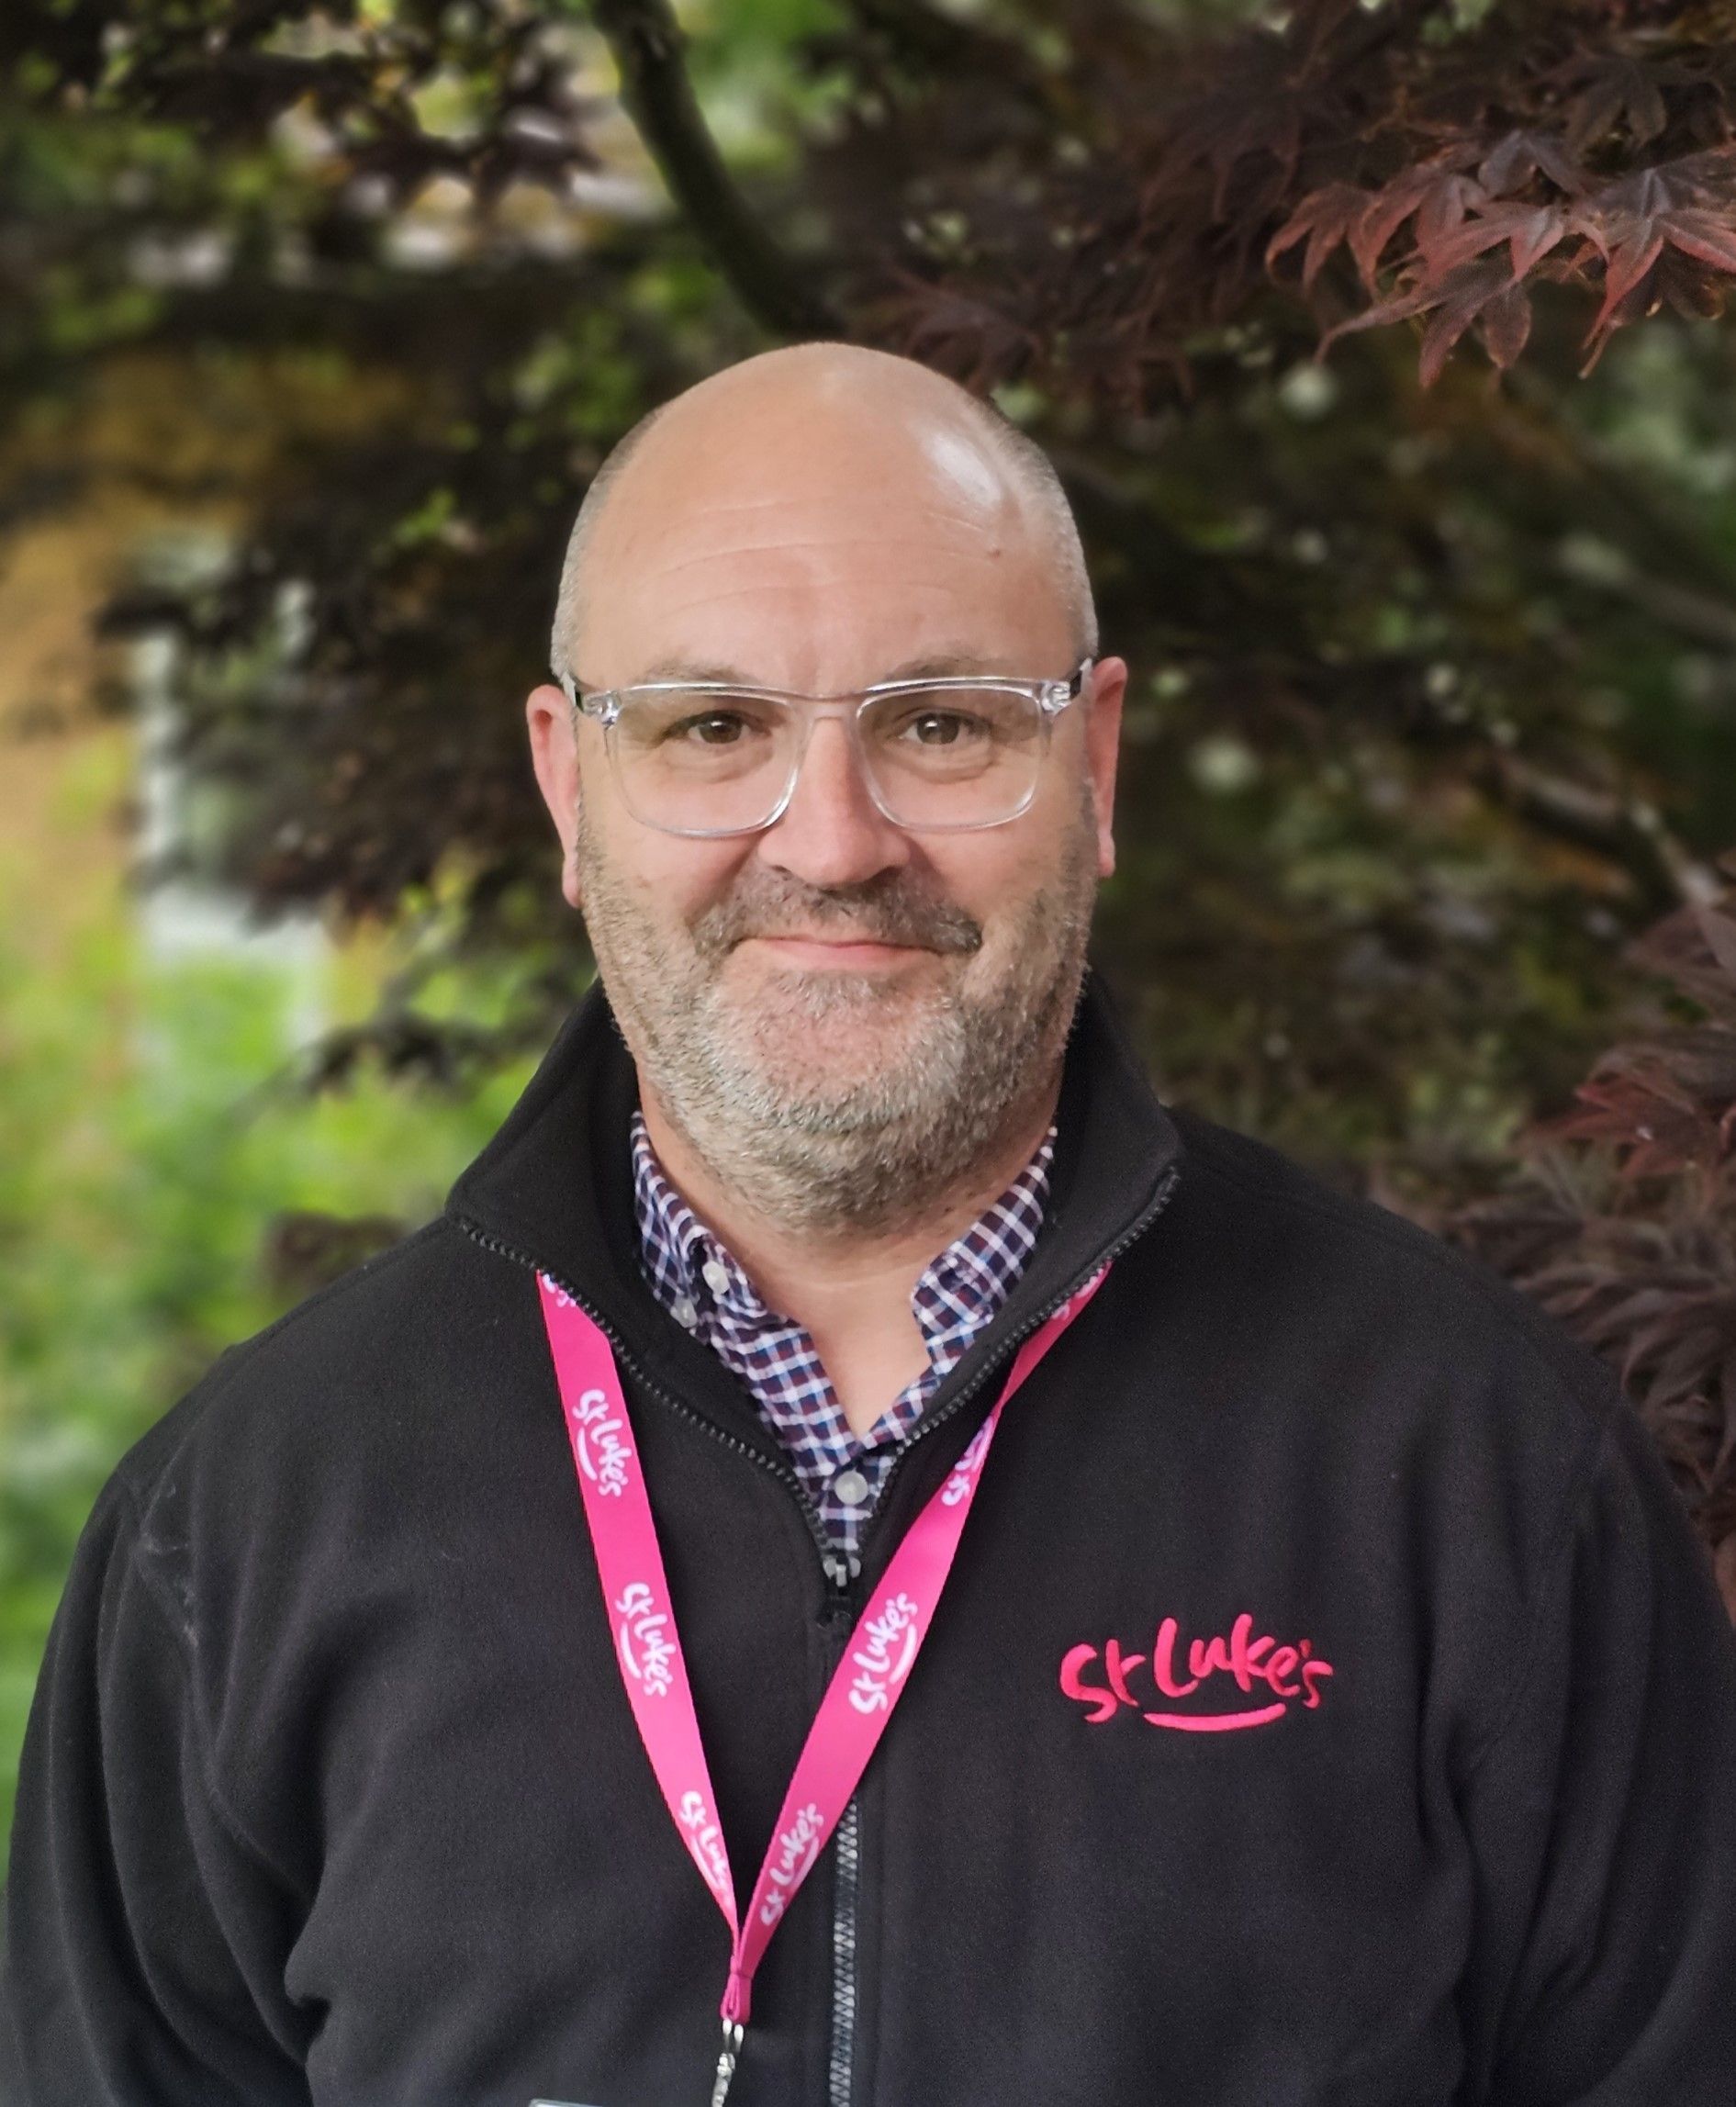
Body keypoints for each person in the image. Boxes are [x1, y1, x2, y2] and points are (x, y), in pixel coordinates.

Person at [5, 342, 1736, 2107]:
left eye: (940, 724)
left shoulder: (1481, 1472)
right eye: (713, 728)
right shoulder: (244, 1526)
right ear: (569, 787)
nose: (831, 843)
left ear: (1096, 761)